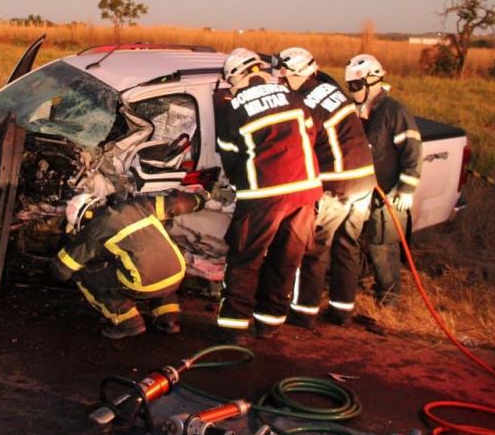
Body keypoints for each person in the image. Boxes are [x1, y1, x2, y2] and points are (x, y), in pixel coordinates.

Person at [214, 48, 323, 340]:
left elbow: (230, 158)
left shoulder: (233, 109)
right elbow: (311, 135)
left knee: (245, 259)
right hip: (304, 192)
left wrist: (239, 186)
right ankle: (269, 324)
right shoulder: (293, 98)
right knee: (285, 260)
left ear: (236, 77)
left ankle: (234, 328)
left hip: (264, 194)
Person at [274, 47, 376, 328]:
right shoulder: (331, 91)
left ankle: (304, 312)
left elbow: (301, 146)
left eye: (284, 77)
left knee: (315, 248)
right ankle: (342, 311)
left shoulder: (306, 104)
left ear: (297, 74)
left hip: (338, 186)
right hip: (365, 183)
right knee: (347, 245)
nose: (282, 83)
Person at [51, 189, 207, 339]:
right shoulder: (137, 205)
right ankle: (168, 319)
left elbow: (62, 269)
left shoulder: (94, 230)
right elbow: (176, 203)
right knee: (158, 270)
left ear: (82, 219)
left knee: (84, 275)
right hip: (177, 272)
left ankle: (129, 323)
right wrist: (199, 200)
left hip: (145, 283)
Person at [344, 54, 423, 306]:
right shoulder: (354, 111)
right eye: (349, 86)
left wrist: (406, 188)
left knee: (383, 242)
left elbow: (413, 152)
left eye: (356, 85)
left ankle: (389, 295)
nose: (352, 91)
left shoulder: (395, 112)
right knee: (354, 238)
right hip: (361, 190)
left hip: (388, 192)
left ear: (373, 81)